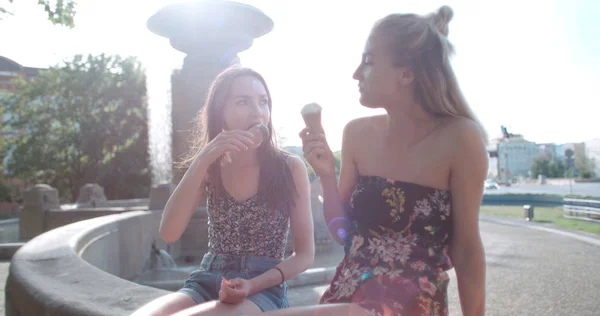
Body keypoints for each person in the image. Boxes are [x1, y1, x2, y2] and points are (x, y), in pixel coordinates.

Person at [262, 5, 487, 316]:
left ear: (406, 74)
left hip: (410, 305)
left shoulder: (461, 138)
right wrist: (326, 175)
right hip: (343, 297)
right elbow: (343, 232)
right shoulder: (356, 133)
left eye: (368, 61)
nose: (356, 73)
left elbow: (467, 249)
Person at [132, 67, 315, 316]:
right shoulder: (211, 167)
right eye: (243, 102)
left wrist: (252, 284)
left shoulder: (289, 166)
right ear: (221, 111)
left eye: (263, 102)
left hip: (264, 287)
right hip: (208, 279)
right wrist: (203, 158)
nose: (257, 112)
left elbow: (304, 255)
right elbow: (169, 233)